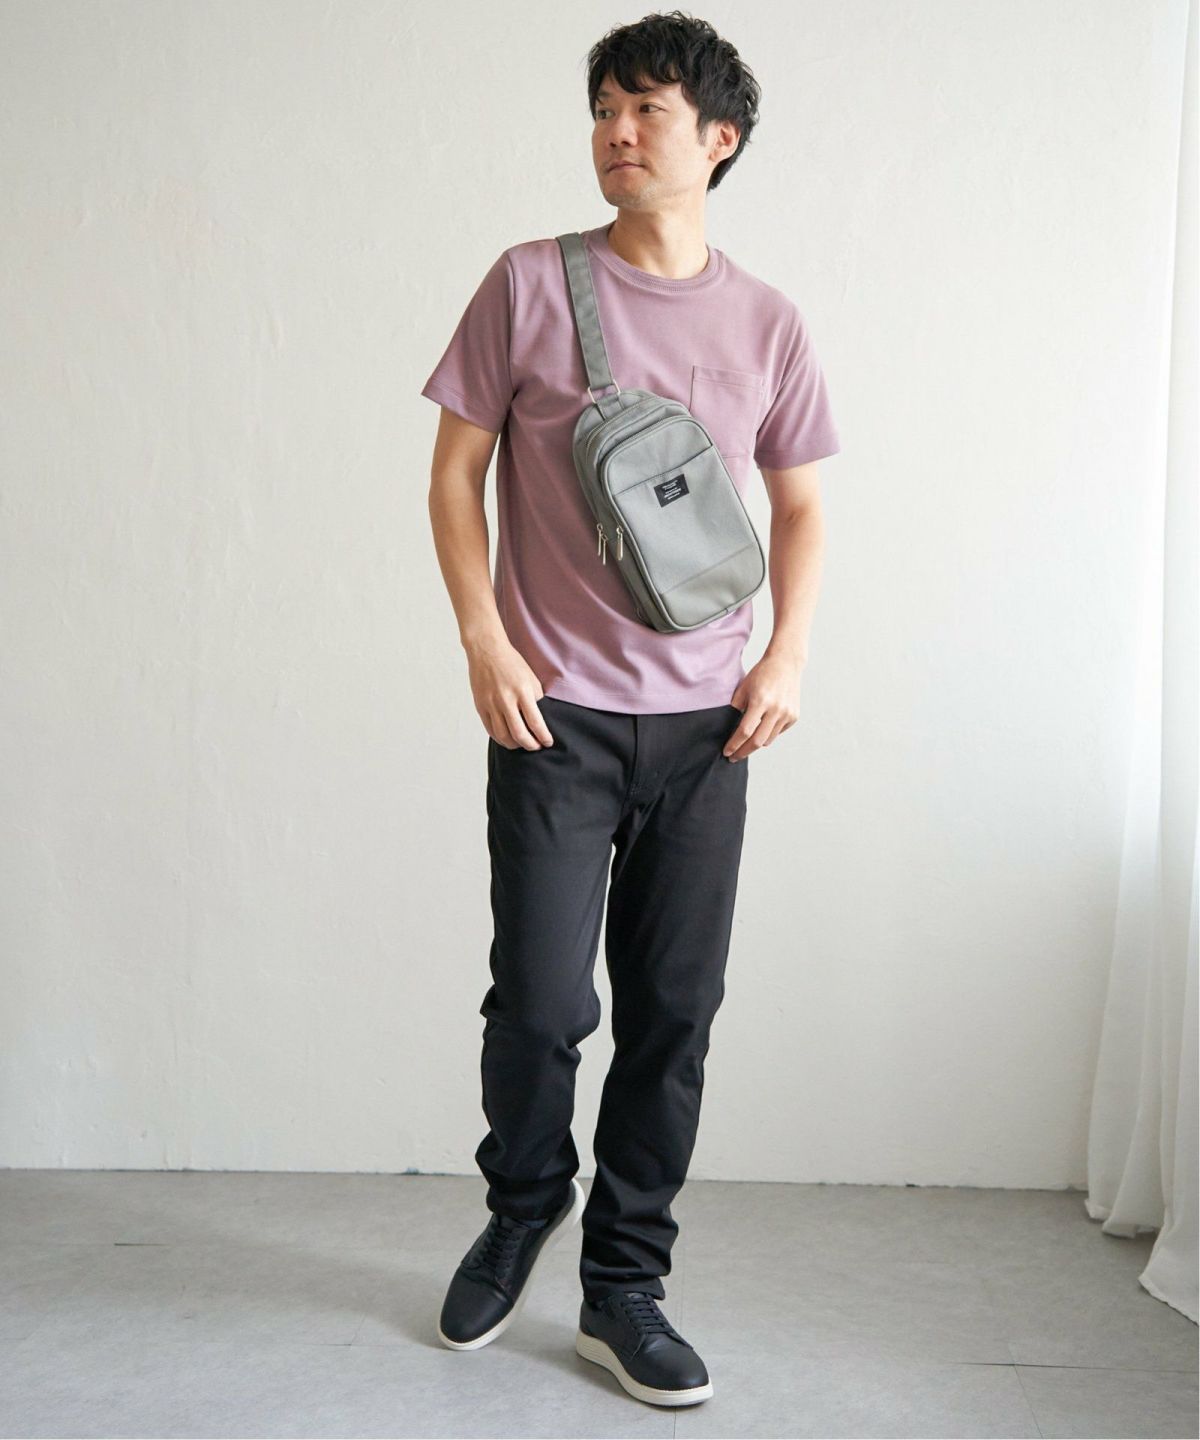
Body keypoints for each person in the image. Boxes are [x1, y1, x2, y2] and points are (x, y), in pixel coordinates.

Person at [419, 10, 840, 1409]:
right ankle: (523, 1201)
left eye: (647, 109)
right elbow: (454, 475)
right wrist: (485, 639)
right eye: (604, 108)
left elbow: (801, 507)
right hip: (555, 716)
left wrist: (786, 658)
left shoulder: (768, 320)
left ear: (718, 140)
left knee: (674, 1014)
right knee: (541, 1004)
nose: (616, 132)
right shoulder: (529, 284)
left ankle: (625, 1285)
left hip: (713, 727)